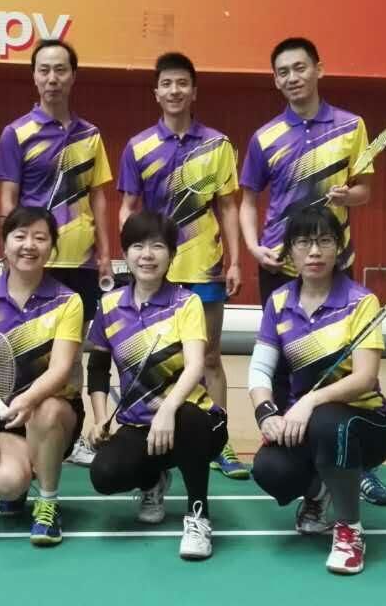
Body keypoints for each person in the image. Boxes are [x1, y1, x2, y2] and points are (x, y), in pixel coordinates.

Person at [238, 36, 386, 506]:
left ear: (318, 69)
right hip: (280, 262)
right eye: (283, 72)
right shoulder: (265, 137)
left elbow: (365, 190)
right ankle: (293, 447)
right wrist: (253, 247)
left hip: (333, 261)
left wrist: (350, 197)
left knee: (347, 361)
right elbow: (248, 201)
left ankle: (356, 459)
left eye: (300, 67)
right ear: (275, 80)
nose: (292, 78)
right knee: (286, 363)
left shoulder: (350, 126)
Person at [116, 52, 247, 480]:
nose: (174, 90)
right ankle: (158, 436)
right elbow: (128, 207)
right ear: (156, 93)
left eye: (182, 83)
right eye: (167, 84)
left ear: (194, 92)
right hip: (156, 270)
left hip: (204, 266)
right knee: (156, 360)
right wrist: (132, 254)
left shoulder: (218, 145)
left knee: (209, 357)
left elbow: (228, 207)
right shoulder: (139, 146)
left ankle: (219, 441)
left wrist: (235, 260)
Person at [247, 207, 386, 574]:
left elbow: (365, 378)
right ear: (290, 251)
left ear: (339, 248)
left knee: (329, 422)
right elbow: (260, 369)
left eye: (324, 241)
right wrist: (267, 414)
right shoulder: (279, 302)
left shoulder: (360, 302)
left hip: (367, 423)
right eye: (303, 242)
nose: (314, 251)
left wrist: (309, 401)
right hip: (308, 423)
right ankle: (319, 491)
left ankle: (350, 530)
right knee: (269, 468)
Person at [0, 38, 114, 467]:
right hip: (33, 259)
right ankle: (19, 424)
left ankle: (70, 435)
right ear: (34, 77)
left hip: (79, 262)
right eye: (44, 70)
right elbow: (8, 197)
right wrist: (12, 248)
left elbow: (98, 197)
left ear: (73, 76)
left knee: (72, 352)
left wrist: (105, 252)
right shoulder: (16, 133)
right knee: (27, 347)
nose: (52, 78)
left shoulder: (90, 135)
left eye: (60, 69)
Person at [86, 211, 229, 560]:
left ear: (172, 255)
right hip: (140, 425)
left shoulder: (186, 303)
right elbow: (98, 368)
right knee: (104, 474)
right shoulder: (109, 305)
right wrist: (100, 418)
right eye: (137, 246)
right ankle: (153, 481)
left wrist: (167, 409)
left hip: (194, 421)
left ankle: (198, 515)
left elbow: (195, 365)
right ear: (125, 253)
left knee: (189, 419)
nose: (147, 255)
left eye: (157, 246)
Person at [0, 206, 85, 546]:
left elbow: (60, 370)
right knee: (8, 484)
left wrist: (27, 400)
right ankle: (28, 469)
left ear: (52, 248)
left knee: (47, 409)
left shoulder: (68, 301)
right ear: (4, 244)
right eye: (20, 236)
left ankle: (48, 502)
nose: (29, 245)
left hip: (53, 412)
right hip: (0, 414)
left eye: (40, 238)